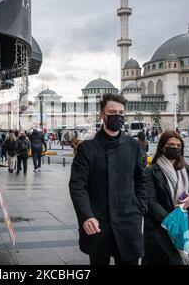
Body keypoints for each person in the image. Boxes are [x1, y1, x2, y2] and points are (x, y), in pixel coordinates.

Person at [69, 93, 148, 265]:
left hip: (128, 222)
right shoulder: (87, 149)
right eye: (113, 112)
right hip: (97, 223)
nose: (118, 116)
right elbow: (77, 186)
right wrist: (86, 216)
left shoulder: (133, 146)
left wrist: (139, 207)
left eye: (121, 113)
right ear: (102, 115)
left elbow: (142, 180)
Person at [143, 130, 189, 265]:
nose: (175, 148)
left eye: (178, 146)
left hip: (187, 226)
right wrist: (172, 222)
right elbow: (151, 202)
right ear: (162, 147)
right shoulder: (151, 171)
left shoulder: (188, 170)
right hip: (160, 228)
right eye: (171, 144)